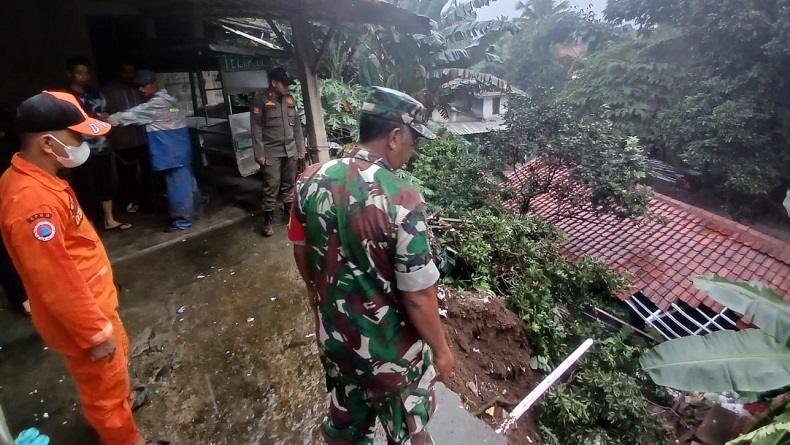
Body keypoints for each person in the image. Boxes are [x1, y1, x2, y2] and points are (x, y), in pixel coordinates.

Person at [288, 86, 455, 445]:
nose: (413, 150)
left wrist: (316, 296)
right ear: (395, 136)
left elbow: (301, 251)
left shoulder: (309, 179)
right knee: (408, 432)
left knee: (346, 425)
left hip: (336, 339)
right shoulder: (404, 199)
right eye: (414, 140)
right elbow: (418, 297)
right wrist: (441, 352)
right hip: (389, 357)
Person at [0, 90, 168, 445]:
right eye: (75, 135)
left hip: (96, 305)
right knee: (104, 391)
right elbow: (55, 282)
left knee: (115, 366)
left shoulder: (40, 178)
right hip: (85, 318)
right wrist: (94, 334)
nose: (82, 142)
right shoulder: (32, 204)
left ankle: (123, 400)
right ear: (47, 142)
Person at [108, 70, 202, 232]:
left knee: (177, 188)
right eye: (138, 86)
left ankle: (182, 222)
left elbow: (131, 115)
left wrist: (107, 119)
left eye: (143, 85)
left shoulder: (157, 104)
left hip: (170, 151)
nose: (140, 89)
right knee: (188, 185)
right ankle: (195, 213)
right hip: (180, 149)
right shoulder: (171, 99)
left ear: (153, 84)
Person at [65, 55, 132, 231]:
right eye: (79, 73)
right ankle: (89, 225)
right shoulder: (65, 97)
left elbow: (105, 112)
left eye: (86, 73)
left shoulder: (95, 93)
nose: (83, 76)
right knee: (85, 187)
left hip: (100, 146)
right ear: (69, 74)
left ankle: (109, 220)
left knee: (105, 183)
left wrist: (105, 117)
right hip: (79, 148)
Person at [250, 67, 306, 237]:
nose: (287, 88)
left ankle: (288, 212)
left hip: (290, 150)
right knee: (271, 186)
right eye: (284, 84)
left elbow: (296, 126)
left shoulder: (290, 99)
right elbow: (256, 129)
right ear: (274, 83)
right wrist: (259, 153)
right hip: (270, 152)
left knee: (289, 184)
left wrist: (300, 148)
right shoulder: (260, 101)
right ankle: (267, 221)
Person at [102, 59, 151, 213]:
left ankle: (149, 201)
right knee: (126, 175)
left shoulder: (139, 88)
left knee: (148, 171)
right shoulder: (109, 91)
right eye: (126, 72)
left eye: (132, 72)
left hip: (143, 137)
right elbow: (104, 114)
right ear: (119, 72)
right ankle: (130, 202)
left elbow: (151, 110)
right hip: (123, 140)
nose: (129, 75)